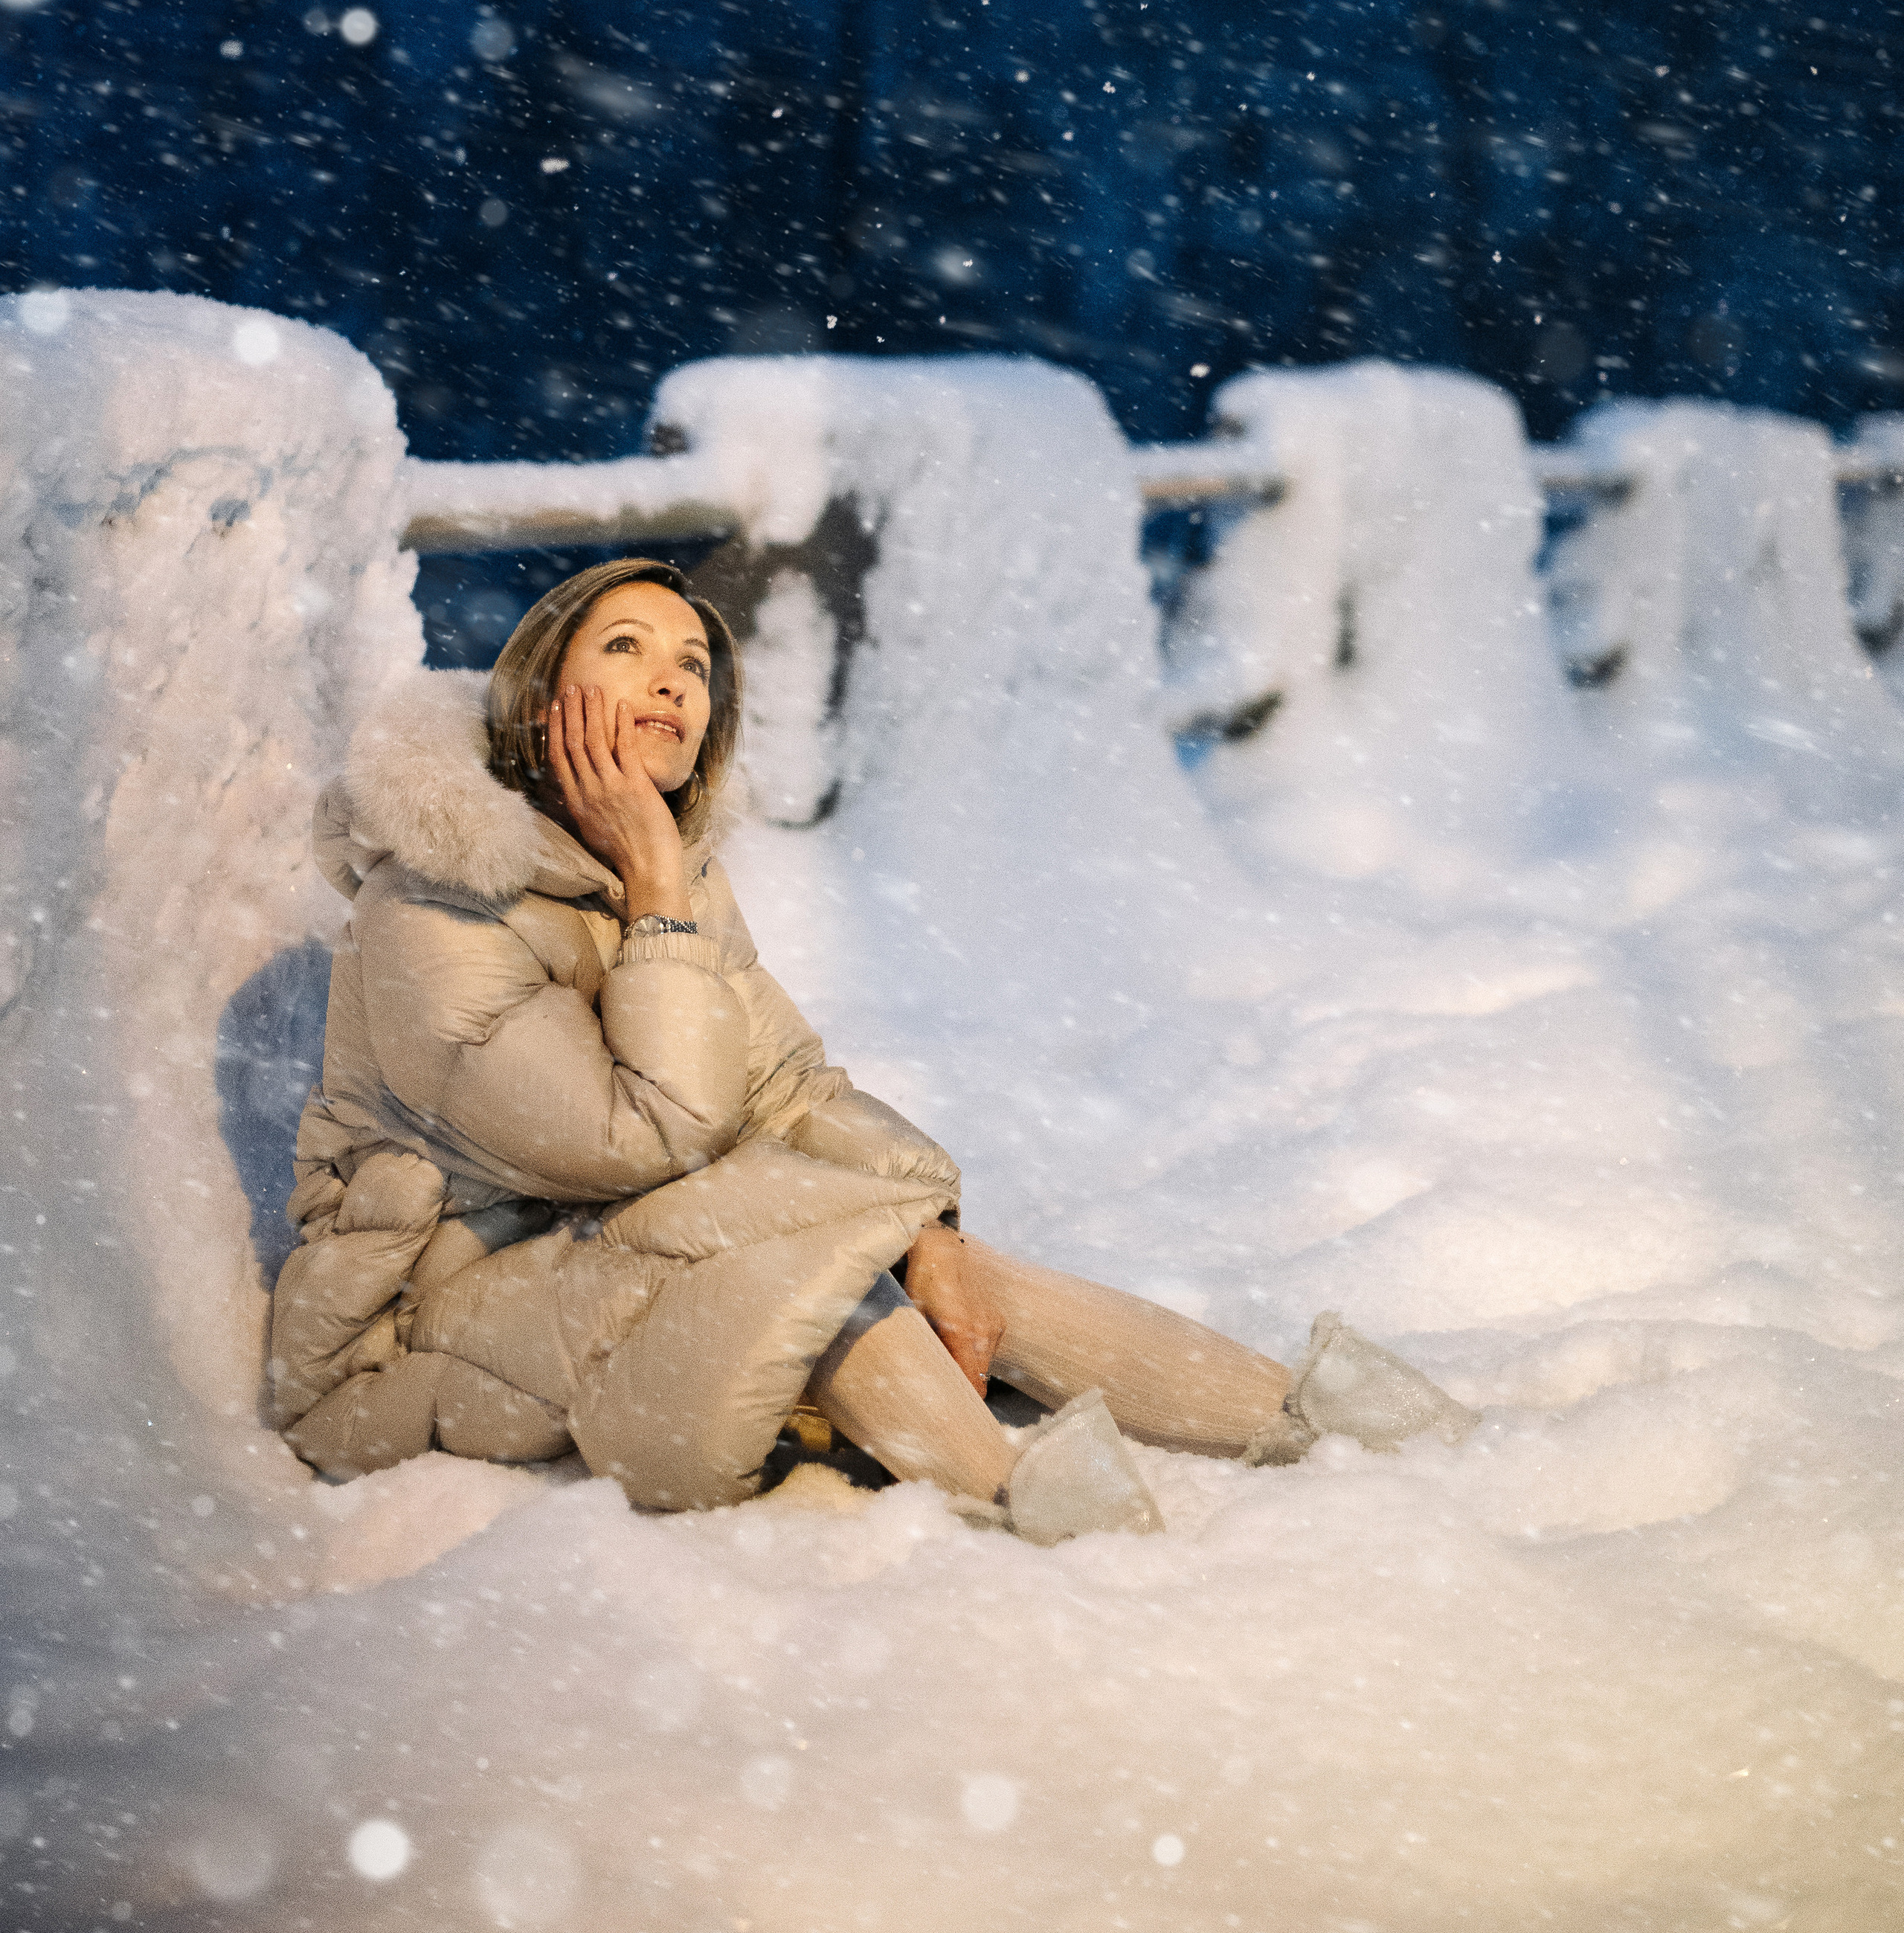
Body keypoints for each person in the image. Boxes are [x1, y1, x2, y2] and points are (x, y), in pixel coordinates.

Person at [270, 559, 1472, 1539]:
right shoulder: (433, 909)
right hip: (422, 1314)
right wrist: (655, 891)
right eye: (625, 648)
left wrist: (929, 1229)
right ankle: (1022, 1503)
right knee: (802, 1264)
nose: (673, 681)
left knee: (905, 1256)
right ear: (540, 700)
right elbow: (642, 1139)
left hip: (602, 1241)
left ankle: (1306, 1417)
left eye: (694, 664)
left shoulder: (662, 879)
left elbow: (789, 1082)